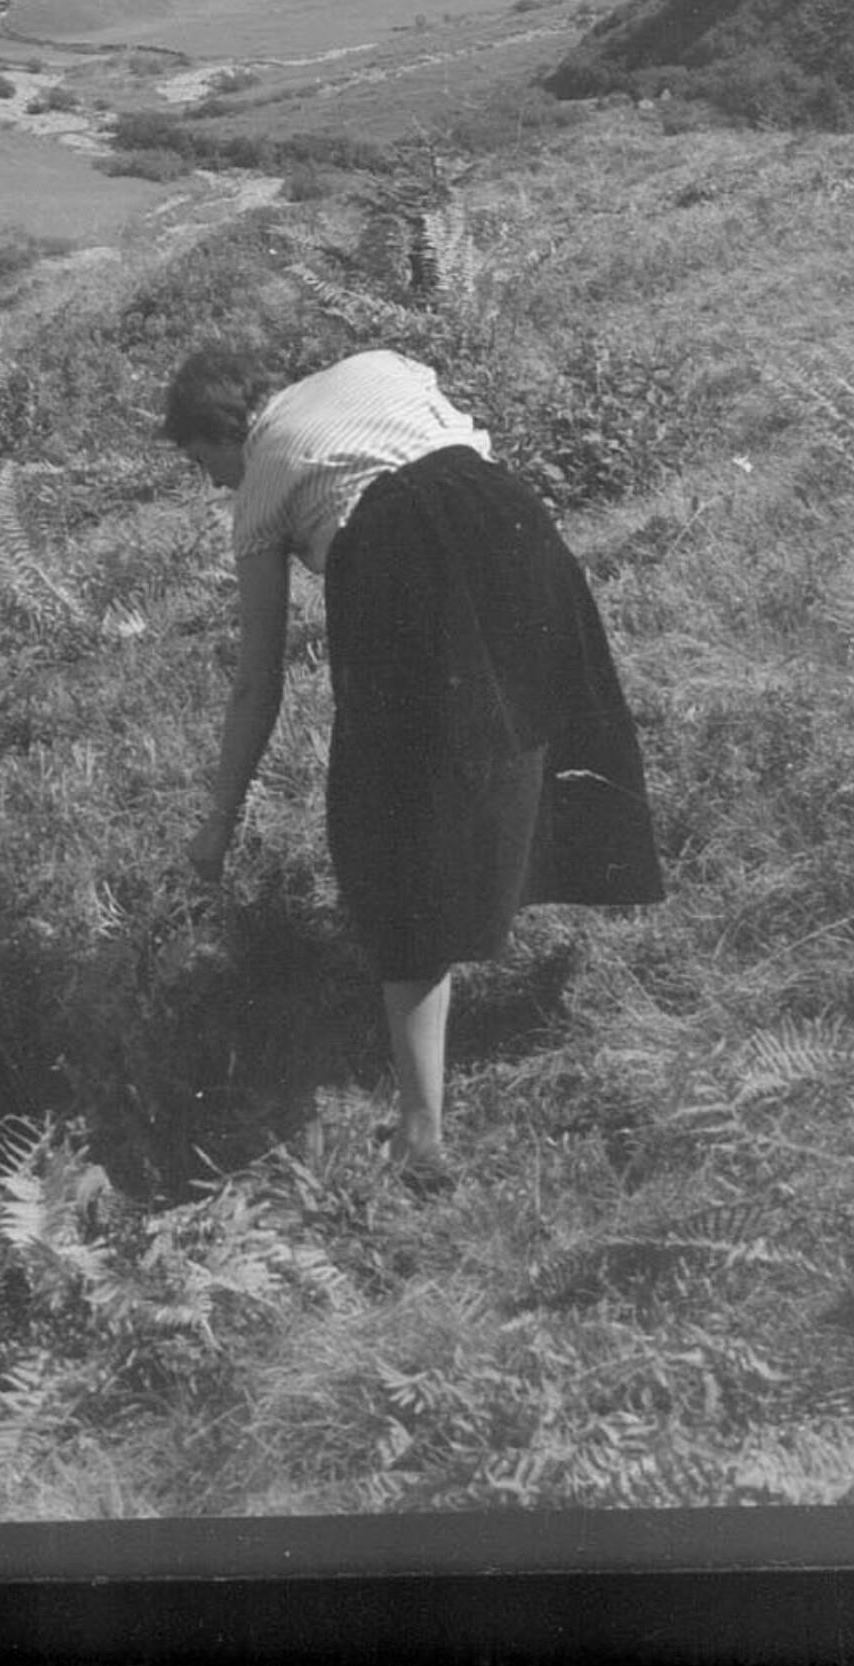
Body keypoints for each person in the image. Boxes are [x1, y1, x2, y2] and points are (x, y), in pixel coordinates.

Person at [165, 325, 662, 1188]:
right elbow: (451, 445)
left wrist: (218, 825)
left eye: (202, 463)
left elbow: (257, 681)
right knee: (529, 732)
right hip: (512, 516)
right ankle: (572, 972)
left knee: (388, 822)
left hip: (397, 556)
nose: (211, 482)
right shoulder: (379, 366)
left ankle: (421, 1133)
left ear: (224, 432)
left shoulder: (261, 481)